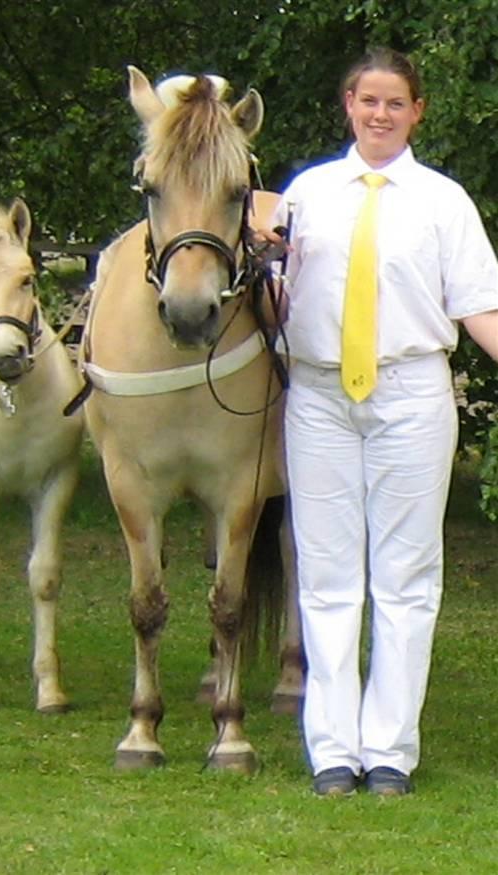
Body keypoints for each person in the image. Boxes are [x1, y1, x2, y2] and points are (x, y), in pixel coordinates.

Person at [272, 46, 498, 797]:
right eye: (368, 100)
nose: (380, 114)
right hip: (319, 397)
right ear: (347, 105)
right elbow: (273, 305)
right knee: (329, 574)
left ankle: (391, 751)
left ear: (417, 112)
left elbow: (478, 308)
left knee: (405, 577)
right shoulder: (305, 194)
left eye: (396, 102)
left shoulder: (443, 200)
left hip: (410, 394)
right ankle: (333, 749)